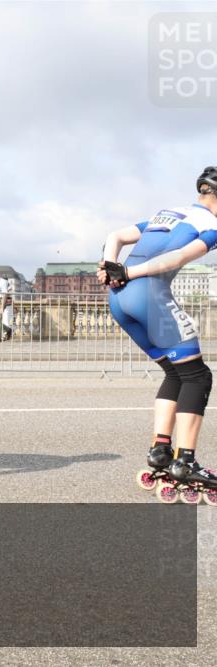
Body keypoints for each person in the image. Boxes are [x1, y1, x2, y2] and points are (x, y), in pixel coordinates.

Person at [99, 166, 217, 503]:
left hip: (119, 299)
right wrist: (131, 271)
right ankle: (185, 462)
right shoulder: (213, 225)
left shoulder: (166, 213)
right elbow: (180, 256)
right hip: (148, 293)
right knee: (197, 376)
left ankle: (160, 451)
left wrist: (111, 268)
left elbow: (115, 236)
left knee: (174, 371)